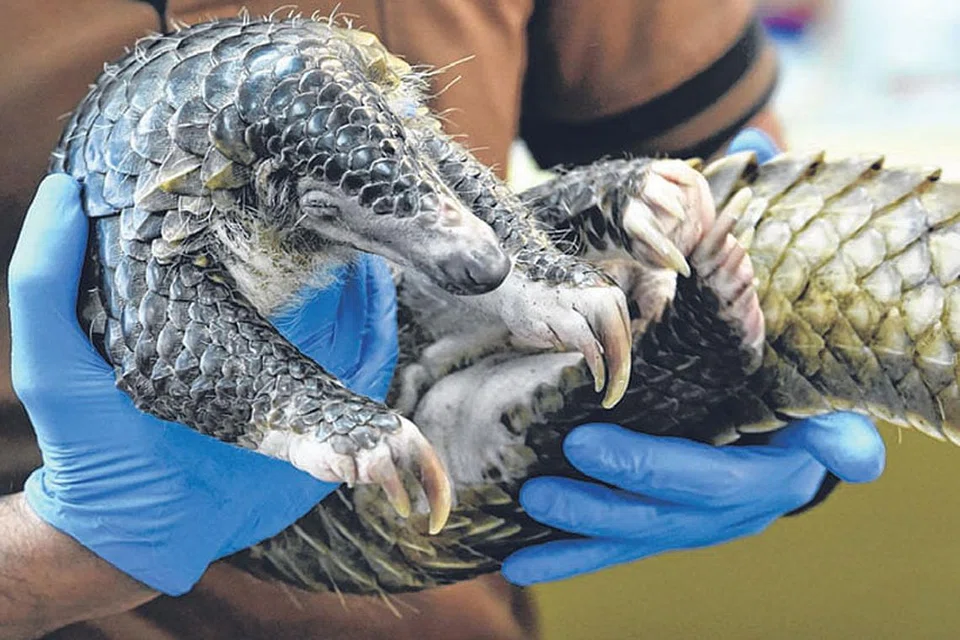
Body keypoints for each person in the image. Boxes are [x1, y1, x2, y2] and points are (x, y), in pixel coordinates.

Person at [0, 1, 885, 638]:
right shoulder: (170, 223)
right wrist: (57, 559)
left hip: (441, 567)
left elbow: (694, 164)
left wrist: (777, 348)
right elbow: (176, 323)